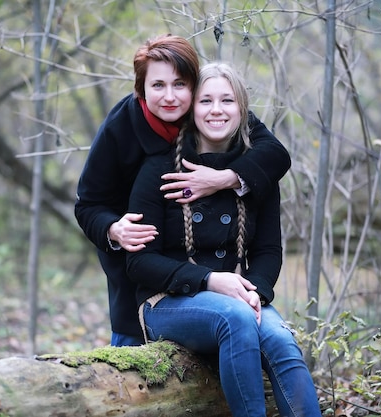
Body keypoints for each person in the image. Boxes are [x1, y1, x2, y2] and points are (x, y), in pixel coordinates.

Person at [126, 63, 321, 417]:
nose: (217, 110)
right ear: (191, 109)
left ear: (242, 110)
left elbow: (267, 251)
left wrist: (256, 290)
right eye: (206, 101)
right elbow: (139, 262)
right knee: (233, 318)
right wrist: (210, 280)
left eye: (227, 100)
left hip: (240, 298)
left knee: (281, 341)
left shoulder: (255, 172)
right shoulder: (158, 169)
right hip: (165, 303)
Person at [74, 34, 291, 347]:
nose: (170, 97)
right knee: (132, 341)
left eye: (180, 84)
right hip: (138, 250)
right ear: (141, 90)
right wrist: (112, 228)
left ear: (193, 86)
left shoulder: (207, 108)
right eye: (158, 86)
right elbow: (87, 205)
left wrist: (224, 178)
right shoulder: (119, 129)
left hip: (199, 260)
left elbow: (275, 153)